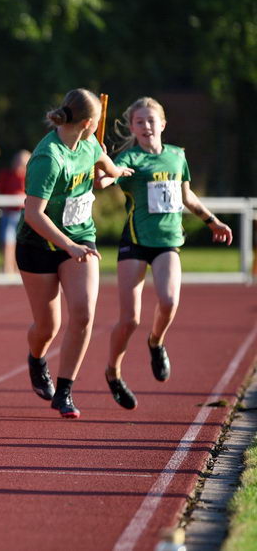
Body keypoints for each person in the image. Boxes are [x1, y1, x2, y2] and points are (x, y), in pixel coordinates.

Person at [97, 97, 232, 410]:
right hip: (135, 241)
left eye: (151, 120)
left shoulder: (176, 156)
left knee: (169, 301)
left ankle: (156, 342)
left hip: (168, 240)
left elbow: (186, 195)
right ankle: (113, 372)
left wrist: (211, 221)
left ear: (163, 124)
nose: (146, 126)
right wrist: (102, 163)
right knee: (129, 319)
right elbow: (101, 182)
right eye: (140, 122)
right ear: (132, 127)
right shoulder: (129, 158)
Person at [17, 88, 132, 419]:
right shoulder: (47, 158)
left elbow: (103, 170)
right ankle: (37, 359)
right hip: (38, 243)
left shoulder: (90, 143)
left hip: (81, 238)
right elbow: (33, 215)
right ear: (89, 121)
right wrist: (66, 245)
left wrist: (115, 171)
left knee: (82, 313)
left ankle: (65, 390)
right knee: (47, 327)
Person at [0, 150, 31, 275]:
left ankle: (19, 271)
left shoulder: (31, 176)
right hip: (9, 214)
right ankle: (7, 270)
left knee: (23, 244)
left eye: (24, 163)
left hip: (26, 217)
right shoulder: (6, 175)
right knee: (7, 242)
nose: (20, 165)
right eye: (19, 162)